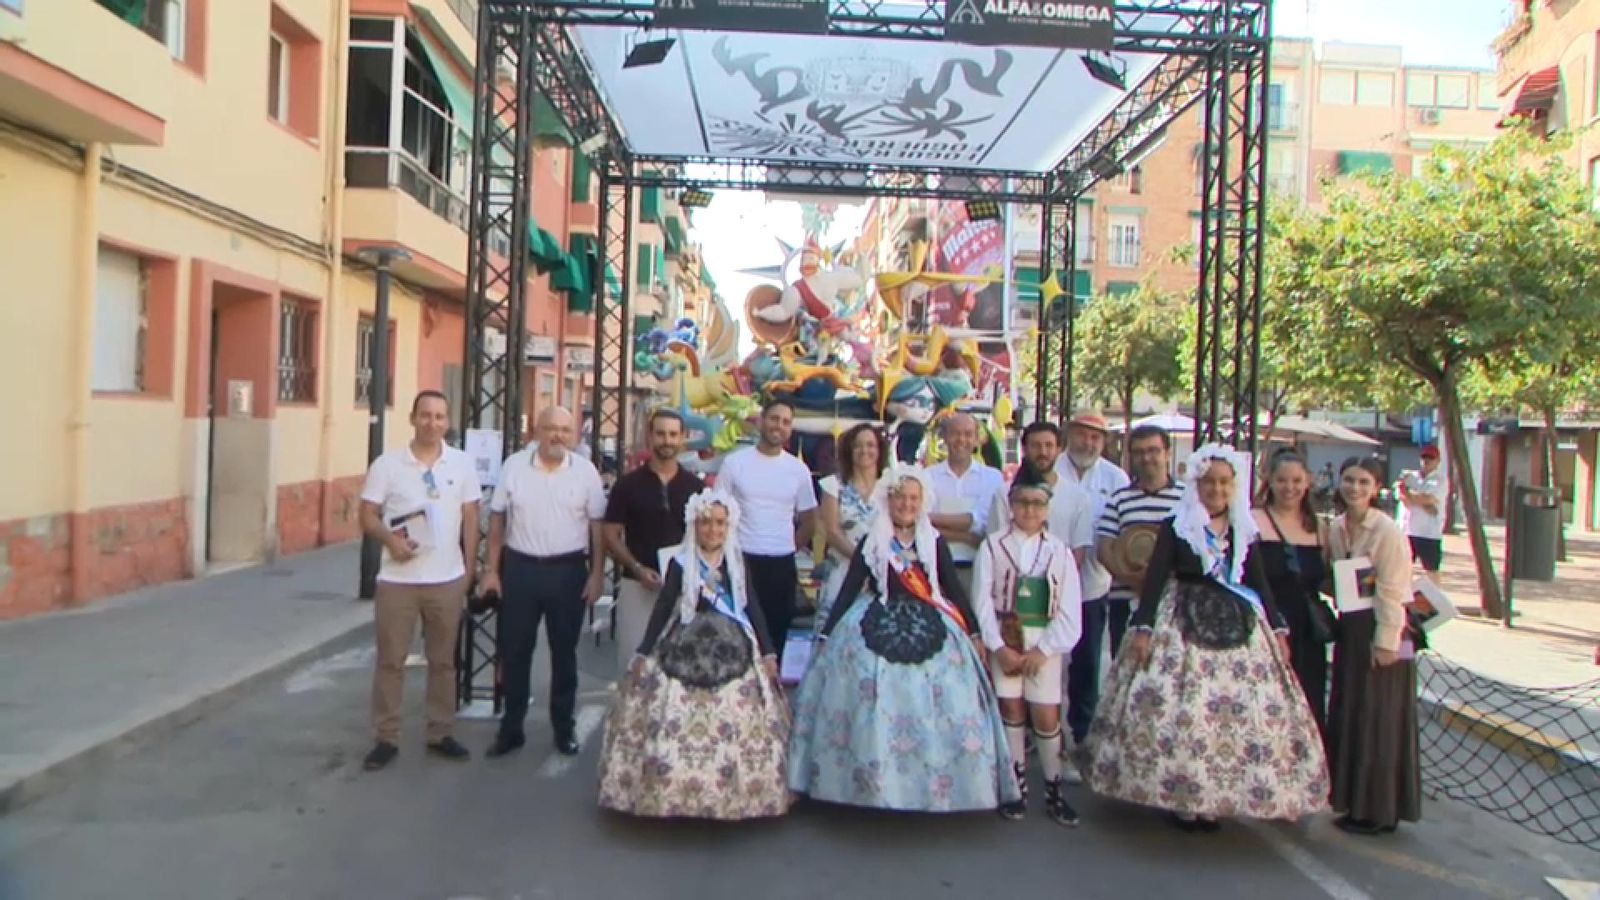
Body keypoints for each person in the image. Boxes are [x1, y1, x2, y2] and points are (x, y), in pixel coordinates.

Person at [1082, 445, 1329, 831]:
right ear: (1196, 484)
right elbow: (1156, 578)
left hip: (1237, 621)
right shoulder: (1177, 525)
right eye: (1209, 482)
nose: (1217, 489)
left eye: (1224, 482)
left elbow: (1257, 581)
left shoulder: (1243, 527)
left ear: (1234, 486)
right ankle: (1181, 798)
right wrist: (1143, 627)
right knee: (1182, 711)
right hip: (1181, 617)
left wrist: (1278, 627)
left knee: (1231, 717)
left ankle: (1214, 799)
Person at [788, 465, 1020, 812]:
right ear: (889, 499)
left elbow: (953, 588)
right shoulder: (873, 539)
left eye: (913, 498)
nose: (907, 504)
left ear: (922, 502)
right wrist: (826, 633)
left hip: (930, 620)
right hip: (875, 617)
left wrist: (973, 631)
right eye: (900, 498)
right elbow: (850, 588)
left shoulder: (933, 541)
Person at [597, 490, 792, 819]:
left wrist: (769, 651)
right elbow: (663, 608)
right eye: (705, 523)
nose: (712, 530)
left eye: (719, 523)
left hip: (734, 644)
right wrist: (643, 651)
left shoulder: (736, 562)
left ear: (729, 526)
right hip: (685, 641)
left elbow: (751, 606)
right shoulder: (681, 562)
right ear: (694, 525)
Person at [358, 391, 482, 770]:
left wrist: (469, 571)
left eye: (439, 416)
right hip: (398, 582)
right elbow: (367, 515)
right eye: (425, 415)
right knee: (391, 662)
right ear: (413, 419)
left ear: (448, 422)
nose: (432, 423)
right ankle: (386, 737)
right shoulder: (387, 465)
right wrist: (390, 540)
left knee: (443, 662)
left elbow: (471, 517)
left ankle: (440, 732)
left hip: (446, 579)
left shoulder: (461, 464)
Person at [480, 406, 608, 758]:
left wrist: (597, 574)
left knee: (565, 653)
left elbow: (598, 528)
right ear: (536, 431)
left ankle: (564, 729)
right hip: (520, 569)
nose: (557, 436)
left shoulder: (585, 472)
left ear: (574, 435)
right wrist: (491, 570)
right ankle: (511, 729)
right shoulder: (514, 466)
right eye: (551, 428)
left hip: (568, 572)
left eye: (565, 430)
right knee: (515, 651)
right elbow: (497, 521)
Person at [971, 480, 1083, 826]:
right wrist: (998, 646)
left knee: (1046, 714)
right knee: (1011, 708)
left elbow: (1069, 607)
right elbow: (981, 601)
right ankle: (1015, 787)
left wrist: (1045, 649)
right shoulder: (992, 546)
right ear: (1011, 505)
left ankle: (1054, 788)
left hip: (1042, 641)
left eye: (1037, 504)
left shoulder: (1059, 551)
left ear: (1047, 509)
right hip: (1005, 637)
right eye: (1022, 503)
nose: (1030, 510)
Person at [1327, 456, 1422, 835]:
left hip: (1384, 630)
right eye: (1349, 480)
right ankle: (1355, 801)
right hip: (1351, 628)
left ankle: (1379, 810)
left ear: (1376, 487)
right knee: (1354, 714)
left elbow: (1393, 591)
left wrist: (1386, 643)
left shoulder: (1387, 531)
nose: (1355, 488)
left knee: (1379, 720)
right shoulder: (1336, 528)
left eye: (1364, 482)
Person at [1015, 421, 1101, 782]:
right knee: (1015, 680)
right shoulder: (1008, 493)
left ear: (1058, 448)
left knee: (1057, 683)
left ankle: (1060, 754)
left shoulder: (1077, 497)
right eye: (1036, 445)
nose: (1043, 452)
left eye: (1049, 445)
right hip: (1016, 603)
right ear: (1025, 448)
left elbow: (1078, 553)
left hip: (1057, 601)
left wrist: (1052, 595)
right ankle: (1015, 758)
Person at [715, 400, 818, 663]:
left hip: (781, 565)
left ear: (790, 429)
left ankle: (772, 689)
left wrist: (787, 546)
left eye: (786, 422)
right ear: (761, 420)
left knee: (774, 642)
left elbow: (809, 520)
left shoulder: (798, 470)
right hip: (741, 560)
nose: (778, 426)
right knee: (737, 640)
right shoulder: (734, 463)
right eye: (774, 419)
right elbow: (716, 513)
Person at [602, 409, 704, 669]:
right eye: (660, 434)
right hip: (637, 586)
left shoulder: (696, 487)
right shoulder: (627, 485)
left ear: (682, 438)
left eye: (673, 434)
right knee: (633, 665)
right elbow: (610, 534)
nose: (666, 441)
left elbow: (706, 537)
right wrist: (636, 568)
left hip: (682, 589)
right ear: (650, 437)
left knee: (679, 668)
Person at [1252, 450, 1333, 735]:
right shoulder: (1254, 521)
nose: (1290, 487)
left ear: (1307, 481)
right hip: (1266, 625)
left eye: (1296, 481)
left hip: (1308, 630)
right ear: (1270, 481)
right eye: (1282, 480)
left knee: (1309, 702)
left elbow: (1330, 579)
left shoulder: (1321, 528)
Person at [1097, 425, 1185, 656]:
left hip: (1174, 603)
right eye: (1139, 452)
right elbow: (1104, 547)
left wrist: (1158, 580)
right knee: (1124, 668)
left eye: (1153, 450)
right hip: (1125, 601)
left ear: (1167, 453)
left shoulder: (1187, 499)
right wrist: (1132, 578)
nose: (1146, 458)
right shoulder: (1119, 499)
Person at [925, 413, 1007, 596]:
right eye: (955, 433)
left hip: (979, 570)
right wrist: (966, 537)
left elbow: (978, 521)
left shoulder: (993, 478)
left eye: (968, 434)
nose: (961, 440)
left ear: (977, 439)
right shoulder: (928, 476)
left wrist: (934, 521)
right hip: (936, 569)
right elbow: (922, 524)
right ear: (945, 437)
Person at [816, 423, 887, 625]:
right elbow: (832, 532)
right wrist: (862, 562)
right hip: (842, 570)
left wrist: (876, 566)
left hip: (880, 573)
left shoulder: (890, 487)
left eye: (870, 445)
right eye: (858, 445)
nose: (864, 450)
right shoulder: (833, 485)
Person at [1398, 445, 1447, 585]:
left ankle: (1435, 596)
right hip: (1407, 530)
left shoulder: (1440, 480)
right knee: (1403, 569)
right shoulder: (1409, 476)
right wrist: (1423, 503)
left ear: (1438, 461)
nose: (1427, 461)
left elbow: (1429, 498)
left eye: (1431, 458)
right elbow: (1402, 497)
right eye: (1424, 457)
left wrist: (1409, 494)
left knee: (1432, 570)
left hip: (1429, 533)